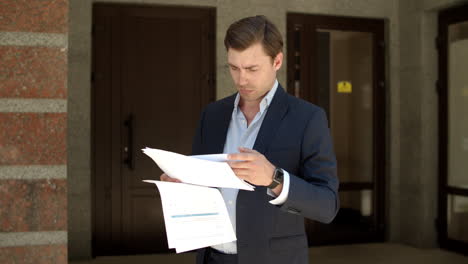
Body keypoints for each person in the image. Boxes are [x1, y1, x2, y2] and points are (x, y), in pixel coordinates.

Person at [161, 15, 339, 264]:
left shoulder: (308, 118)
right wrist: (181, 186)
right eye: (234, 68)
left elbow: (327, 205)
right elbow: (202, 187)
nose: (241, 79)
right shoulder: (211, 115)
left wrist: (274, 178)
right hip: (210, 257)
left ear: (277, 61)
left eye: (252, 69)